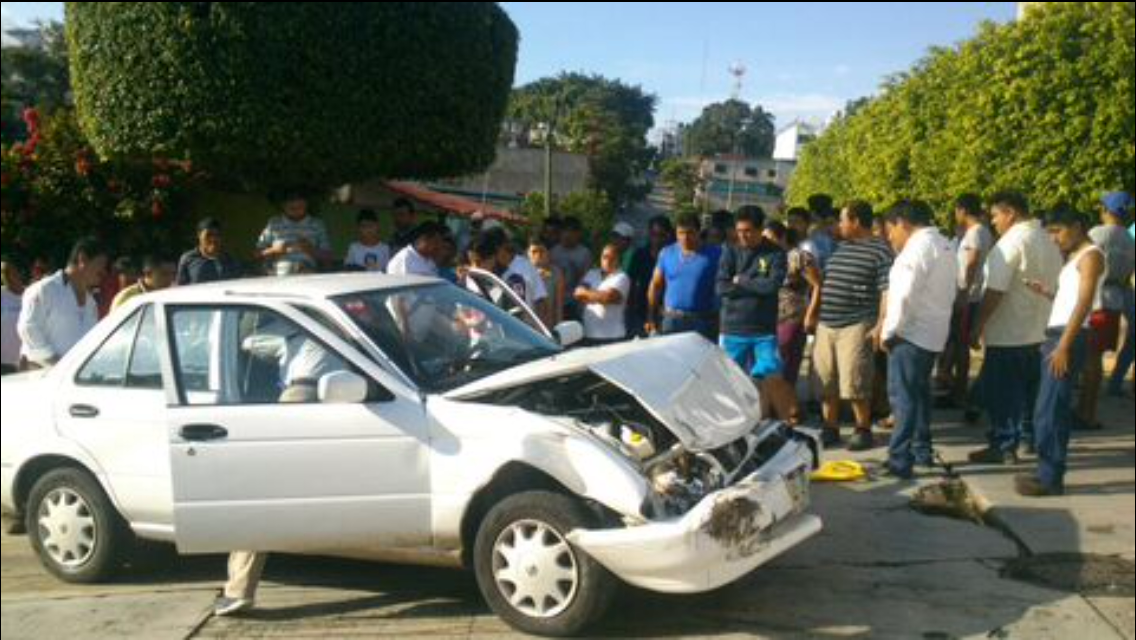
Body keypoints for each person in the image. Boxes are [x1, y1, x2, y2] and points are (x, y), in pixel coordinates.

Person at [1014, 209, 1106, 496]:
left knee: (1051, 409)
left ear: (1077, 226)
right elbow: (1072, 300)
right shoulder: (1077, 258)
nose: (1054, 239)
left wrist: (1064, 345)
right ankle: (1046, 472)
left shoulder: (1091, 256)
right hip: (1060, 333)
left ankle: (1050, 478)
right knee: (1046, 408)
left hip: (1068, 336)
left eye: (1057, 232)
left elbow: (1085, 302)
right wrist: (1048, 294)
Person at [969, 192, 1063, 465]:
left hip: (1009, 332)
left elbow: (995, 291)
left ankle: (1003, 444)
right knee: (1029, 395)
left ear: (1009, 213)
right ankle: (1028, 439)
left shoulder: (1010, 243)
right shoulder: (1047, 239)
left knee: (1004, 394)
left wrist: (978, 325)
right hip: (1039, 331)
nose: (993, 222)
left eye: (995, 215)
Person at [880, 201, 960, 479]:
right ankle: (922, 451)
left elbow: (903, 296)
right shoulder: (946, 246)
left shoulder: (915, 250)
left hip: (910, 334)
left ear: (902, 223)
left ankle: (900, 459)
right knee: (920, 395)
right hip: (933, 332)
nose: (890, 237)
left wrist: (890, 332)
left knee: (904, 398)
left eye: (890, 230)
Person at [808, 201, 894, 451]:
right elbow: (827, 281)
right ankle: (830, 426)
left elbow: (886, 291)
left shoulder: (880, 251)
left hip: (856, 324)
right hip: (827, 323)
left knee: (855, 381)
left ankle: (862, 428)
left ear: (856, 221)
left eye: (843, 220)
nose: (839, 225)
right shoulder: (840, 248)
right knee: (825, 379)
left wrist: (880, 323)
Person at [717, 208, 798, 423]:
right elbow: (721, 287)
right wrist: (754, 286)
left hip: (764, 332)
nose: (743, 235)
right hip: (733, 329)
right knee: (728, 383)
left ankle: (773, 423)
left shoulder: (775, 253)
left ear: (761, 230)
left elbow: (772, 286)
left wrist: (741, 281)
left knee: (770, 377)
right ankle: (729, 424)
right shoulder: (730, 250)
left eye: (749, 231)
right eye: (739, 230)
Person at [17, 237, 109, 370]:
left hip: (74, 381)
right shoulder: (44, 289)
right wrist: (58, 364)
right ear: (82, 259)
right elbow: (28, 329)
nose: (104, 272)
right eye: (102, 265)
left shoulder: (91, 303)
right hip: (39, 378)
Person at [1082, 192, 1135, 419]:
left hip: (1094, 297)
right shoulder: (1129, 239)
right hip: (1116, 297)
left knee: (1088, 356)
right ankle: (1090, 406)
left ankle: (1085, 408)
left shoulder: (1096, 234)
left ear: (1106, 210)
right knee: (1097, 354)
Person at [646, 213, 722, 341]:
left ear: (698, 232)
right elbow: (655, 285)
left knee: (699, 361)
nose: (685, 237)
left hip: (703, 321)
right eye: (680, 233)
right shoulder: (666, 253)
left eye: (690, 232)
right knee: (670, 360)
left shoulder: (716, 254)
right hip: (671, 319)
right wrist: (650, 317)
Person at [764, 221, 820, 387]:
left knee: (786, 363)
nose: (767, 242)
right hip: (769, 317)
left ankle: (786, 406)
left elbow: (817, 285)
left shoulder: (799, 256)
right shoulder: (767, 257)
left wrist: (811, 315)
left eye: (771, 238)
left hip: (792, 317)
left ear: (782, 237)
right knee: (770, 365)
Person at [951, 194, 994, 408]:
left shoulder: (975, 233)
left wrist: (963, 293)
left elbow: (971, 263)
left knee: (961, 345)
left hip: (969, 295)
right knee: (960, 344)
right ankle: (957, 387)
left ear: (962, 210)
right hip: (973, 293)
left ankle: (959, 391)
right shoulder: (983, 231)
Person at [256, 194, 333, 275]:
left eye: (300, 207)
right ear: (284, 206)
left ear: (306, 205)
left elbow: (328, 257)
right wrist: (274, 250)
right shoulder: (274, 223)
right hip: (278, 271)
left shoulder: (317, 224)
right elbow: (257, 254)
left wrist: (310, 249)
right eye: (291, 208)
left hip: (307, 270)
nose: (296, 211)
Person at [626, 216, 675, 338]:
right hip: (641, 311)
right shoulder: (640, 254)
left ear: (668, 235)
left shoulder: (675, 256)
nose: (657, 239)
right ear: (649, 233)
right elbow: (631, 282)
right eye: (654, 234)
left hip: (667, 312)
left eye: (661, 235)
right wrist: (631, 308)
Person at [575, 244, 632, 346]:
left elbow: (608, 297)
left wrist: (588, 295)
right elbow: (577, 294)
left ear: (618, 260)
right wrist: (598, 296)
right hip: (589, 334)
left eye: (612, 258)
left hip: (613, 336)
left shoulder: (622, 277)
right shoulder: (591, 273)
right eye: (605, 257)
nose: (607, 261)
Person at [178, 218, 243, 286]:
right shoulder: (188, 258)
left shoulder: (230, 260)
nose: (213, 239)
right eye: (208, 235)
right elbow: (181, 288)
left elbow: (237, 285)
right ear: (199, 235)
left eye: (217, 235)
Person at [111, 255, 176, 311]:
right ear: (148, 273)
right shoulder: (127, 297)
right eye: (164, 274)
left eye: (173, 274)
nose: (170, 279)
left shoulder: (175, 295)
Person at [551, 216, 594, 298]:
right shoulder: (553, 252)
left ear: (578, 234)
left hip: (576, 298)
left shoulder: (585, 254)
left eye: (571, 232)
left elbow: (587, 279)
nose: (567, 235)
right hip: (556, 297)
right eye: (564, 231)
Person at [529, 239, 566, 328]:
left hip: (548, 326)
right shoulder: (522, 271)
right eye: (534, 252)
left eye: (541, 251)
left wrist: (559, 329)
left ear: (548, 253)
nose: (538, 255)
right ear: (528, 254)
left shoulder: (556, 272)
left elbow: (559, 306)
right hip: (527, 326)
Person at [2, 259, 26, 375]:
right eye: (3, 273)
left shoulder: (30, 294)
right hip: (4, 363)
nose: (5, 276)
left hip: (27, 361)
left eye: (8, 272)